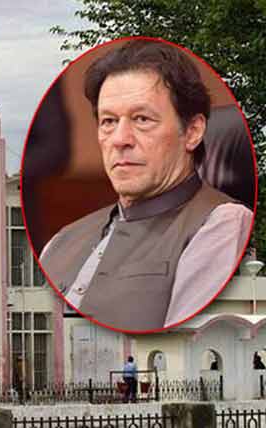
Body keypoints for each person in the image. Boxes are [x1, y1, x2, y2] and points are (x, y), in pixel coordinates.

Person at [40, 39, 253, 331]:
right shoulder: (61, 241)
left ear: (192, 131)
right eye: (109, 121)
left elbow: (185, 338)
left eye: (142, 119)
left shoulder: (220, 224)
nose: (120, 139)